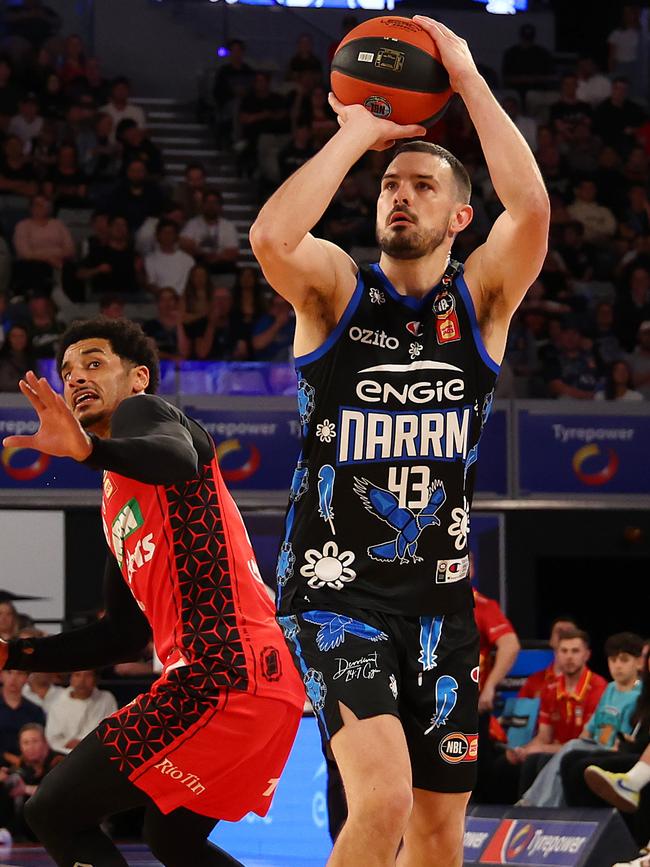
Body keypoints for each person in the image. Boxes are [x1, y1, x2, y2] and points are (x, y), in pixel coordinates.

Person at [250, 15, 549, 866]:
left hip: (440, 603)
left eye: (420, 184)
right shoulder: (337, 290)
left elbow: (529, 207)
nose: (400, 195)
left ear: (459, 214)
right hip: (335, 593)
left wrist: (464, 74)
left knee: (438, 835)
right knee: (378, 799)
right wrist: (357, 135)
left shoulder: (482, 300)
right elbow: (271, 238)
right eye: (390, 185)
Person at [0, 316, 304, 866]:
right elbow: (121, 635)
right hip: (259, 683)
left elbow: (176, 457)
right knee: (172, 841)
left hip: (221, 674)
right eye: (68, 371)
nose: (77, 379)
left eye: (94, 363)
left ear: (138, 377)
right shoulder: (116, 495)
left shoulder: (149, 414)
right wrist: (18, 652)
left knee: (51, 811)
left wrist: (90, 450)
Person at [519, 632, 643, 808]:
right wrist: (582, 740)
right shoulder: (610, 688)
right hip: (594, 743)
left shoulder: (640, 695)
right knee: (558, 753)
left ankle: (538, 804)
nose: (617, 666)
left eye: (623, 660)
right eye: (613, 660)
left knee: (571, 750)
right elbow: (592, 725)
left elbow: (626, 737)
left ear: (638, 662)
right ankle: (537, 803)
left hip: (613, 748)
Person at [489, 629, 607, 804]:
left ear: (586, 655)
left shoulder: (598, 687)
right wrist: (523, 750)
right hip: (554, 748)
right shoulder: (551, 688)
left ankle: (534, 812)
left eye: (575, 651)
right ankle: (506, 819)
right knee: (505, 763)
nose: (569, 657)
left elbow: (585, 742)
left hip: (583, 750)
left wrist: (540, 749)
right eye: (564, 651)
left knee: (537, 760)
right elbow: (544, 736)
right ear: (556, 654)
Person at [0, 722, 64, 841]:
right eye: (26, 743)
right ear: (20, 746)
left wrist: (25, 789)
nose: (30, 747)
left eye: (35, 741)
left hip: (59, 822)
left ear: (46, 743)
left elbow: (59, 793)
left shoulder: (60, 761)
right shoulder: (21, 765)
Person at [44, 670, 117, 755]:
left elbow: (112, 731)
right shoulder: (57, 701)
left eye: (88, 675)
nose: (82, 680)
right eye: (77, 675)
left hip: (96, 753)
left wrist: (83, 744)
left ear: (95, 679)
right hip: (62, 755)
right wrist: (67, 744)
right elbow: (52, 738)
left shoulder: (106, 699)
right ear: (71, 678)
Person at [180, 190, 239, 275]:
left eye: (214, 202)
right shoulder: (192, 224)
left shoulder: (228, 226)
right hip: (198, 267)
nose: (211, 206)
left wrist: (216, 257)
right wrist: (201, 252)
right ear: (202, 205)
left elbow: (233, 252)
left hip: (222, 269)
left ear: (220, 206)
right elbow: (183, 244)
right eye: (208, 202)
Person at [518, 616, 578, 699]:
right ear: (551, 641)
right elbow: (520, 711)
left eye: (569, 632)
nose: (564, 636)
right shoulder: (534, 681)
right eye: (559, 632)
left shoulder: (591, 682)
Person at [0, 671, 45, 766]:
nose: (13, 678)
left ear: (27, 678)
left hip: (28, 765)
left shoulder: (35, 711)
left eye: (19, 673)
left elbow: (40, 741)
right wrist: (8, 756)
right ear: (1, 675)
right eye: (9, 672)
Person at [145, 220, 195, 296]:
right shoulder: (149, 260)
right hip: (161, 300)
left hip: (184, 300)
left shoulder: (188, 260)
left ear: (176, 236)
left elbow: (192, 284)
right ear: (158, 235)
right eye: (164, 233)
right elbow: (151, 284)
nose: (167, 236)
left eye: (171, 233)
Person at [100, 76, 146, 142]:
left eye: (124, 89)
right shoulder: (103, 111)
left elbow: (141, 132)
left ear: (128, 91)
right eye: (118, 89)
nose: (121, 92)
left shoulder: (137, 111)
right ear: (112, 91)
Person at [629, 321, 650, 400]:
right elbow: (631, 382)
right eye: (645, 334)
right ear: (639, 336)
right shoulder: (631, 358)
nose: (649, 337)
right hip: (636, 406)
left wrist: (642, 377)